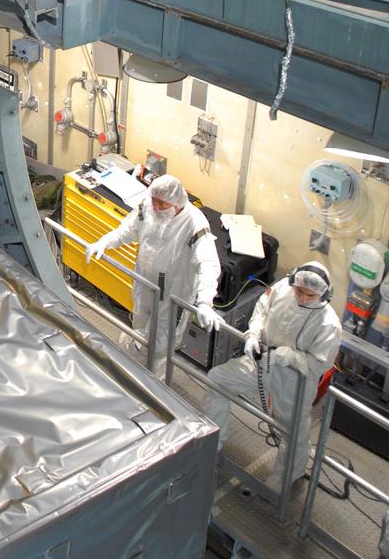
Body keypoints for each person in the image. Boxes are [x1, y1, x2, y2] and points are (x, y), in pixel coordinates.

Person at [202, 263, 341, 490]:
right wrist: (253, 335)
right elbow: (261, 311)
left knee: (293, 429)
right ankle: (213, 441)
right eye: (300, 291)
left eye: (310, 295)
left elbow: (318, 364)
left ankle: (287, 476)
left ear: (324, 294)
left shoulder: (328, 324)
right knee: (218, 378)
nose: (304, 298)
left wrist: (288, 357)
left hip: (293, 379)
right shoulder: (281, 290)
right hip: (261, 361)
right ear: (292, 283)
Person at [85, 175, 221, 376]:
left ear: (177, 203)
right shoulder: (147, 205)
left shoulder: (194, 224)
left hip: (172, 297)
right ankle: (136, 375)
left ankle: (155, 389)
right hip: (144, 284)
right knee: (139, 327)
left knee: (158, 348)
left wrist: (205, 302)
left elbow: (208, 263)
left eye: (162, 203)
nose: (156, 207)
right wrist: (104, 242)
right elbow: (127, 231)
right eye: (154, 201)